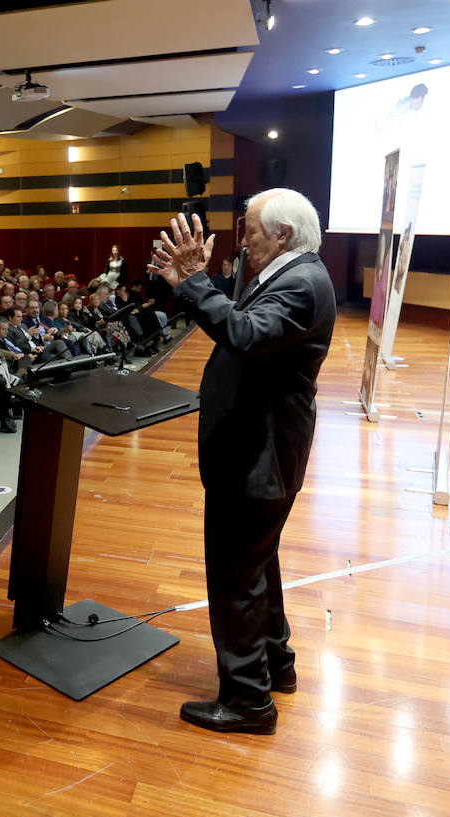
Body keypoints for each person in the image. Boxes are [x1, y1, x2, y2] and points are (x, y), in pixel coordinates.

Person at [148, 192, 336, 735]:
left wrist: (192, 284)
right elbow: (232, 316)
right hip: (261, 451)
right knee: (256, 565)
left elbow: (243, 332)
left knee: (235, 575)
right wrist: (193, 280)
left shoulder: (301, 283)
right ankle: (276, 666)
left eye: (250, 229)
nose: (241, 238)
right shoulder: (287, 271)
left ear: (281, 234)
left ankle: (248, 701)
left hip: (259, 455)